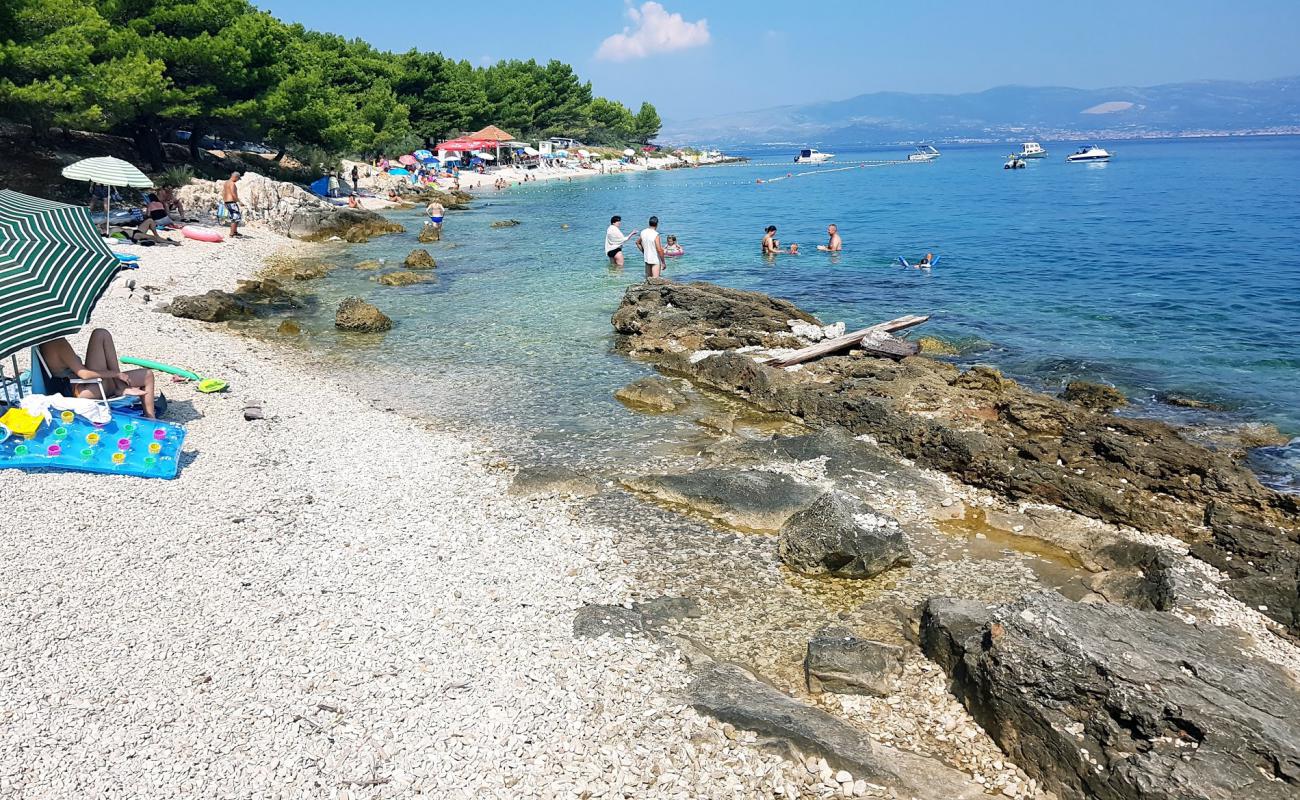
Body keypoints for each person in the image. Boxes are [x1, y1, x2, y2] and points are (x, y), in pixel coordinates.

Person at [38, 330, 157, 419]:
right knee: (100, 334)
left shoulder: (45, 342)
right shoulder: (58, 343)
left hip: (90, 385)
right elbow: (84, 374)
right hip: (85, 389)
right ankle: (148, 417)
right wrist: (116, 374)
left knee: (147, 375)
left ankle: (150, 419)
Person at [222, 172, 242, 237]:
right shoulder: (232, 184)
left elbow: (224, 193)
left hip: (227, 202)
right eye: (238, 179)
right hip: (232, 202)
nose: (237, 180)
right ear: (235, 177)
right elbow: (233, 194)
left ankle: (235, 232)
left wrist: (225, 201)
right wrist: (238, 201)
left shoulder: (226, 183)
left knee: (234, 216)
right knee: (235, 217)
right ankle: (232, 233)